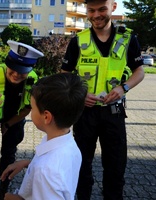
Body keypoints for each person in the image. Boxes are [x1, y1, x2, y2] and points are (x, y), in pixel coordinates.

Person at [61, 0, 145, 199]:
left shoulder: (128, 38)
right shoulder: (77, 41)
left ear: (113, 7)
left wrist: (123, 88)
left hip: (113, 113)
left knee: (116, 169)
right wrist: (79, 94)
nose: (96, 14)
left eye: (102, 9)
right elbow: (65, 74)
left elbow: (139, 71)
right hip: (85, 114)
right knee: (81, 167)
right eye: (91, 10)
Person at [0, 73, 88, 200]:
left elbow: (49, 172)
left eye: (32, 108)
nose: (31, 111)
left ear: (46, 117)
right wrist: (29, 164)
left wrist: (15, 199)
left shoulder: (46, 171)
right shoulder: (67, 144)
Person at [0, 40, 44, 199]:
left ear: (30, 69)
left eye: (22, 71)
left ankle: (4, 185)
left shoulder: (33, 80)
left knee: (9, 154)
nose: (16, 74)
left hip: (15, 117)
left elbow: (29, 107)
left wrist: (9, 123)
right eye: (12, 69)